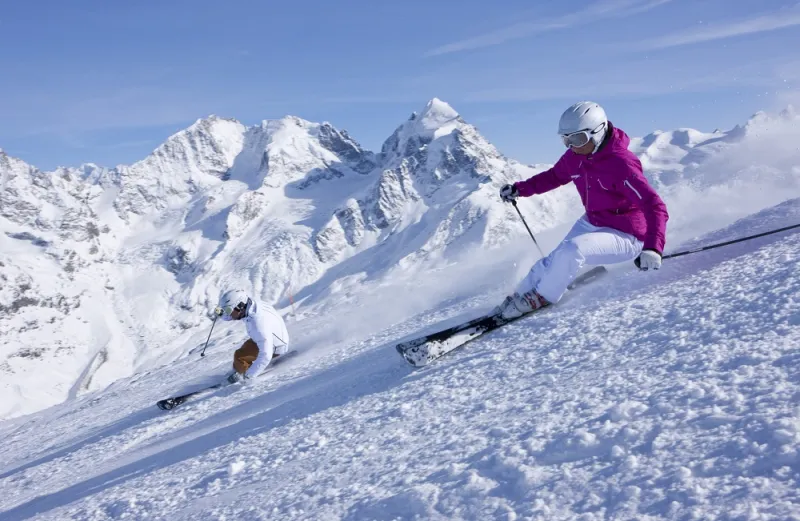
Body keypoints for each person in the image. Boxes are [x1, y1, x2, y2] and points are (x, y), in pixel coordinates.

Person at [496, 101, 669, 320]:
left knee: (572, 250)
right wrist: (519, 189)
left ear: (598, 132)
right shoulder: (575, 157)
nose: (571, 146)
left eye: (577, 139)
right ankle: (518, 297)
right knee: (551, 261)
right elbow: (554, 176)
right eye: (566, 140)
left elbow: (654, 206)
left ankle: (542, 296)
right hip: (594, 220)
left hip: (628, 233)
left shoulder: (621, 165)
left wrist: (653, 247)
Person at [215, 289, 290, 383]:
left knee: (239, 356)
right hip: (273, 337)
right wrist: (221, 314)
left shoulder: (258, 324)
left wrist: (249, 376)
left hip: (276, 346)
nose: (227, 313)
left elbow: (266, 355)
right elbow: (232, 315)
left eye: (228, 310)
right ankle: (244, 367)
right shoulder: (251, 305)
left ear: (240, 306)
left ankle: (242, 373)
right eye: (225, 310)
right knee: (244, 349)